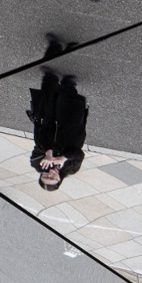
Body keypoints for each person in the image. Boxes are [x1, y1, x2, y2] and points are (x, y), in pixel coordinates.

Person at [28, 46, 87, 190]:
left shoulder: (37, 163)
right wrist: (64, 157)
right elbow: (78, 154)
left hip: (48, 127)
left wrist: (48, 152)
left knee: (49, 96)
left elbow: (39, 142)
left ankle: (51, 70)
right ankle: (68, 85)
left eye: (45, 177)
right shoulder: (70, 169)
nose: (49, 175)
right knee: (69, 101)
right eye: (52, 178)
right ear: (59, 179)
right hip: (70, 131)